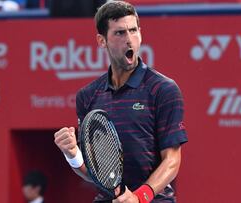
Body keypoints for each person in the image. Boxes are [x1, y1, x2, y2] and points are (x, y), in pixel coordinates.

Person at [54, 1, 188, 202]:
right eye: (119, 33)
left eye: (133, 30)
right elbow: (94, 173)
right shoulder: (88, 96)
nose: (129, 40)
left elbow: (172, 160)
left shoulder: (163, 89)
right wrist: (72, 154)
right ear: (102, 41)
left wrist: (139, 197)